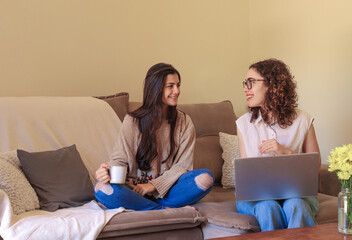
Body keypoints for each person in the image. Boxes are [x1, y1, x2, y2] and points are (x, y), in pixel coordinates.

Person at [95, 63, 214, 211]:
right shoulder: (132, 121)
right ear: (155, 89)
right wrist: (107, 172)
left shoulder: (184, 122)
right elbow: (119, 159)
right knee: (101, 188)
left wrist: (152, 186)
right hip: (135, 190)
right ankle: (164, 210)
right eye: (170, 86)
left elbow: (183, 166)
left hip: (169, 189)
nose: (177, 91)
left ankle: (151, 208)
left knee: (205, 178)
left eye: (178, 85)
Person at [235, 58, 321, 231]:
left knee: (295, 205)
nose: (245, 88)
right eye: (245, 83)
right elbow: (247, 178)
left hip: (298, 195)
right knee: (268, 207)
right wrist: (242, 170)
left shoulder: (303, 120)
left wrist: (286, 152)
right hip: (258, 198)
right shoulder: (243, 124)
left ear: (272, 85)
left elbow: (316, 166)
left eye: (251, 82)